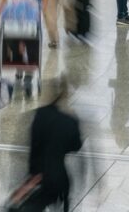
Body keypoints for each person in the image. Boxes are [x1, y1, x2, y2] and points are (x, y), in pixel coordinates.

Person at [28, 77, 83, 212]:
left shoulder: (40, 114)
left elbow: (34, 143)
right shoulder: (70, 120)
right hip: (59, 175)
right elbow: (76, 146)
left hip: (38, 174)